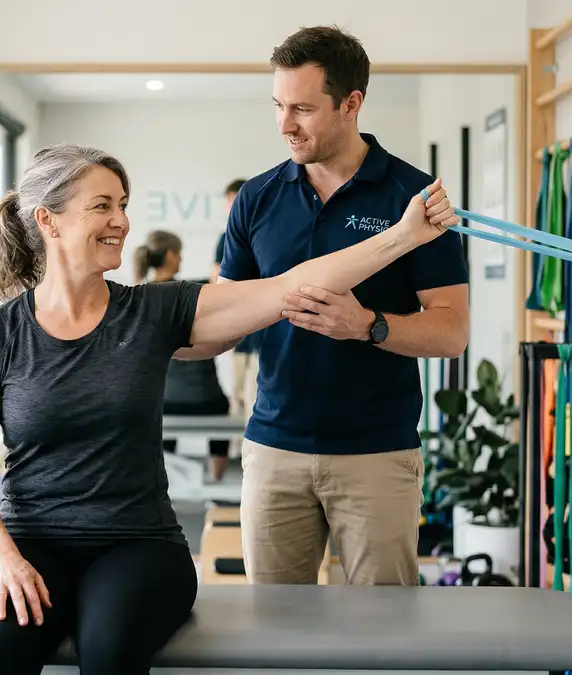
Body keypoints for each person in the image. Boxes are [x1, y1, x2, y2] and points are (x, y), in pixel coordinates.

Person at [0, 142, 458, 674]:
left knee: (110, 651)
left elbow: (290, 286)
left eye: (123, 204)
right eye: (102, 206)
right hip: (28, 539)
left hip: (137, 544)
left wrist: (403, 237)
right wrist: (4, 558)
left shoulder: (153, 311)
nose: (121, 221)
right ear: (48, 222)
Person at [179, 25, 471, 588]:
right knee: (274, 630)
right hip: (273, 448)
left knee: (383, 635)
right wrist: (143, 342)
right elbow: (224, 318)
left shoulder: (413, 201)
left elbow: (452, 332)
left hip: (377, 453)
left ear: (351, 103)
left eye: (304, 109)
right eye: (279, 106)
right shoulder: (258, 199)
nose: (285, 125)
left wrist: (369, 326)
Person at [134, 229, 232, 482]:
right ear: (169, 255)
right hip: (207, 401)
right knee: (223, 407)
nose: (181, 259)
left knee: (158, 420)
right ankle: (217, 486)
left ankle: (166, 486)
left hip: (164, 402)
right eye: (179, 254)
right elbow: (224, 278)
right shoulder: (197, 291)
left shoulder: (136, 296)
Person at [212, 179, 262, 421]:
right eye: (228, 202)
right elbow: (216, 279)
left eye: (232, 201)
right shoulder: (225, 239)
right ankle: (235, 449)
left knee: (255, 391)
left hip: (263, 326)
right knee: (236, 392)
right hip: (236, 324)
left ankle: (247, 443)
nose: (230, 207)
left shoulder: (266, 232)